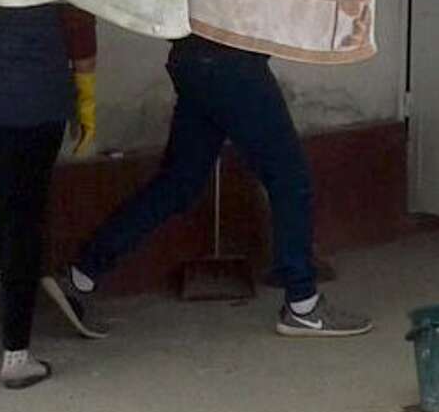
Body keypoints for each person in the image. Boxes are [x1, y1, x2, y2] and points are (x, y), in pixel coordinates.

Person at [42, 35, 371, 339]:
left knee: (179, 182)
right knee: (290, 178)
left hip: (192, 57)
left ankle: (81, 274)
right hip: (232, 60)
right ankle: (303, 303)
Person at [0, 1, 97, 390]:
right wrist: (86, 99)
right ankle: (15, 358)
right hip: (36, 103)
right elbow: (79, 24)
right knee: (23, 226)